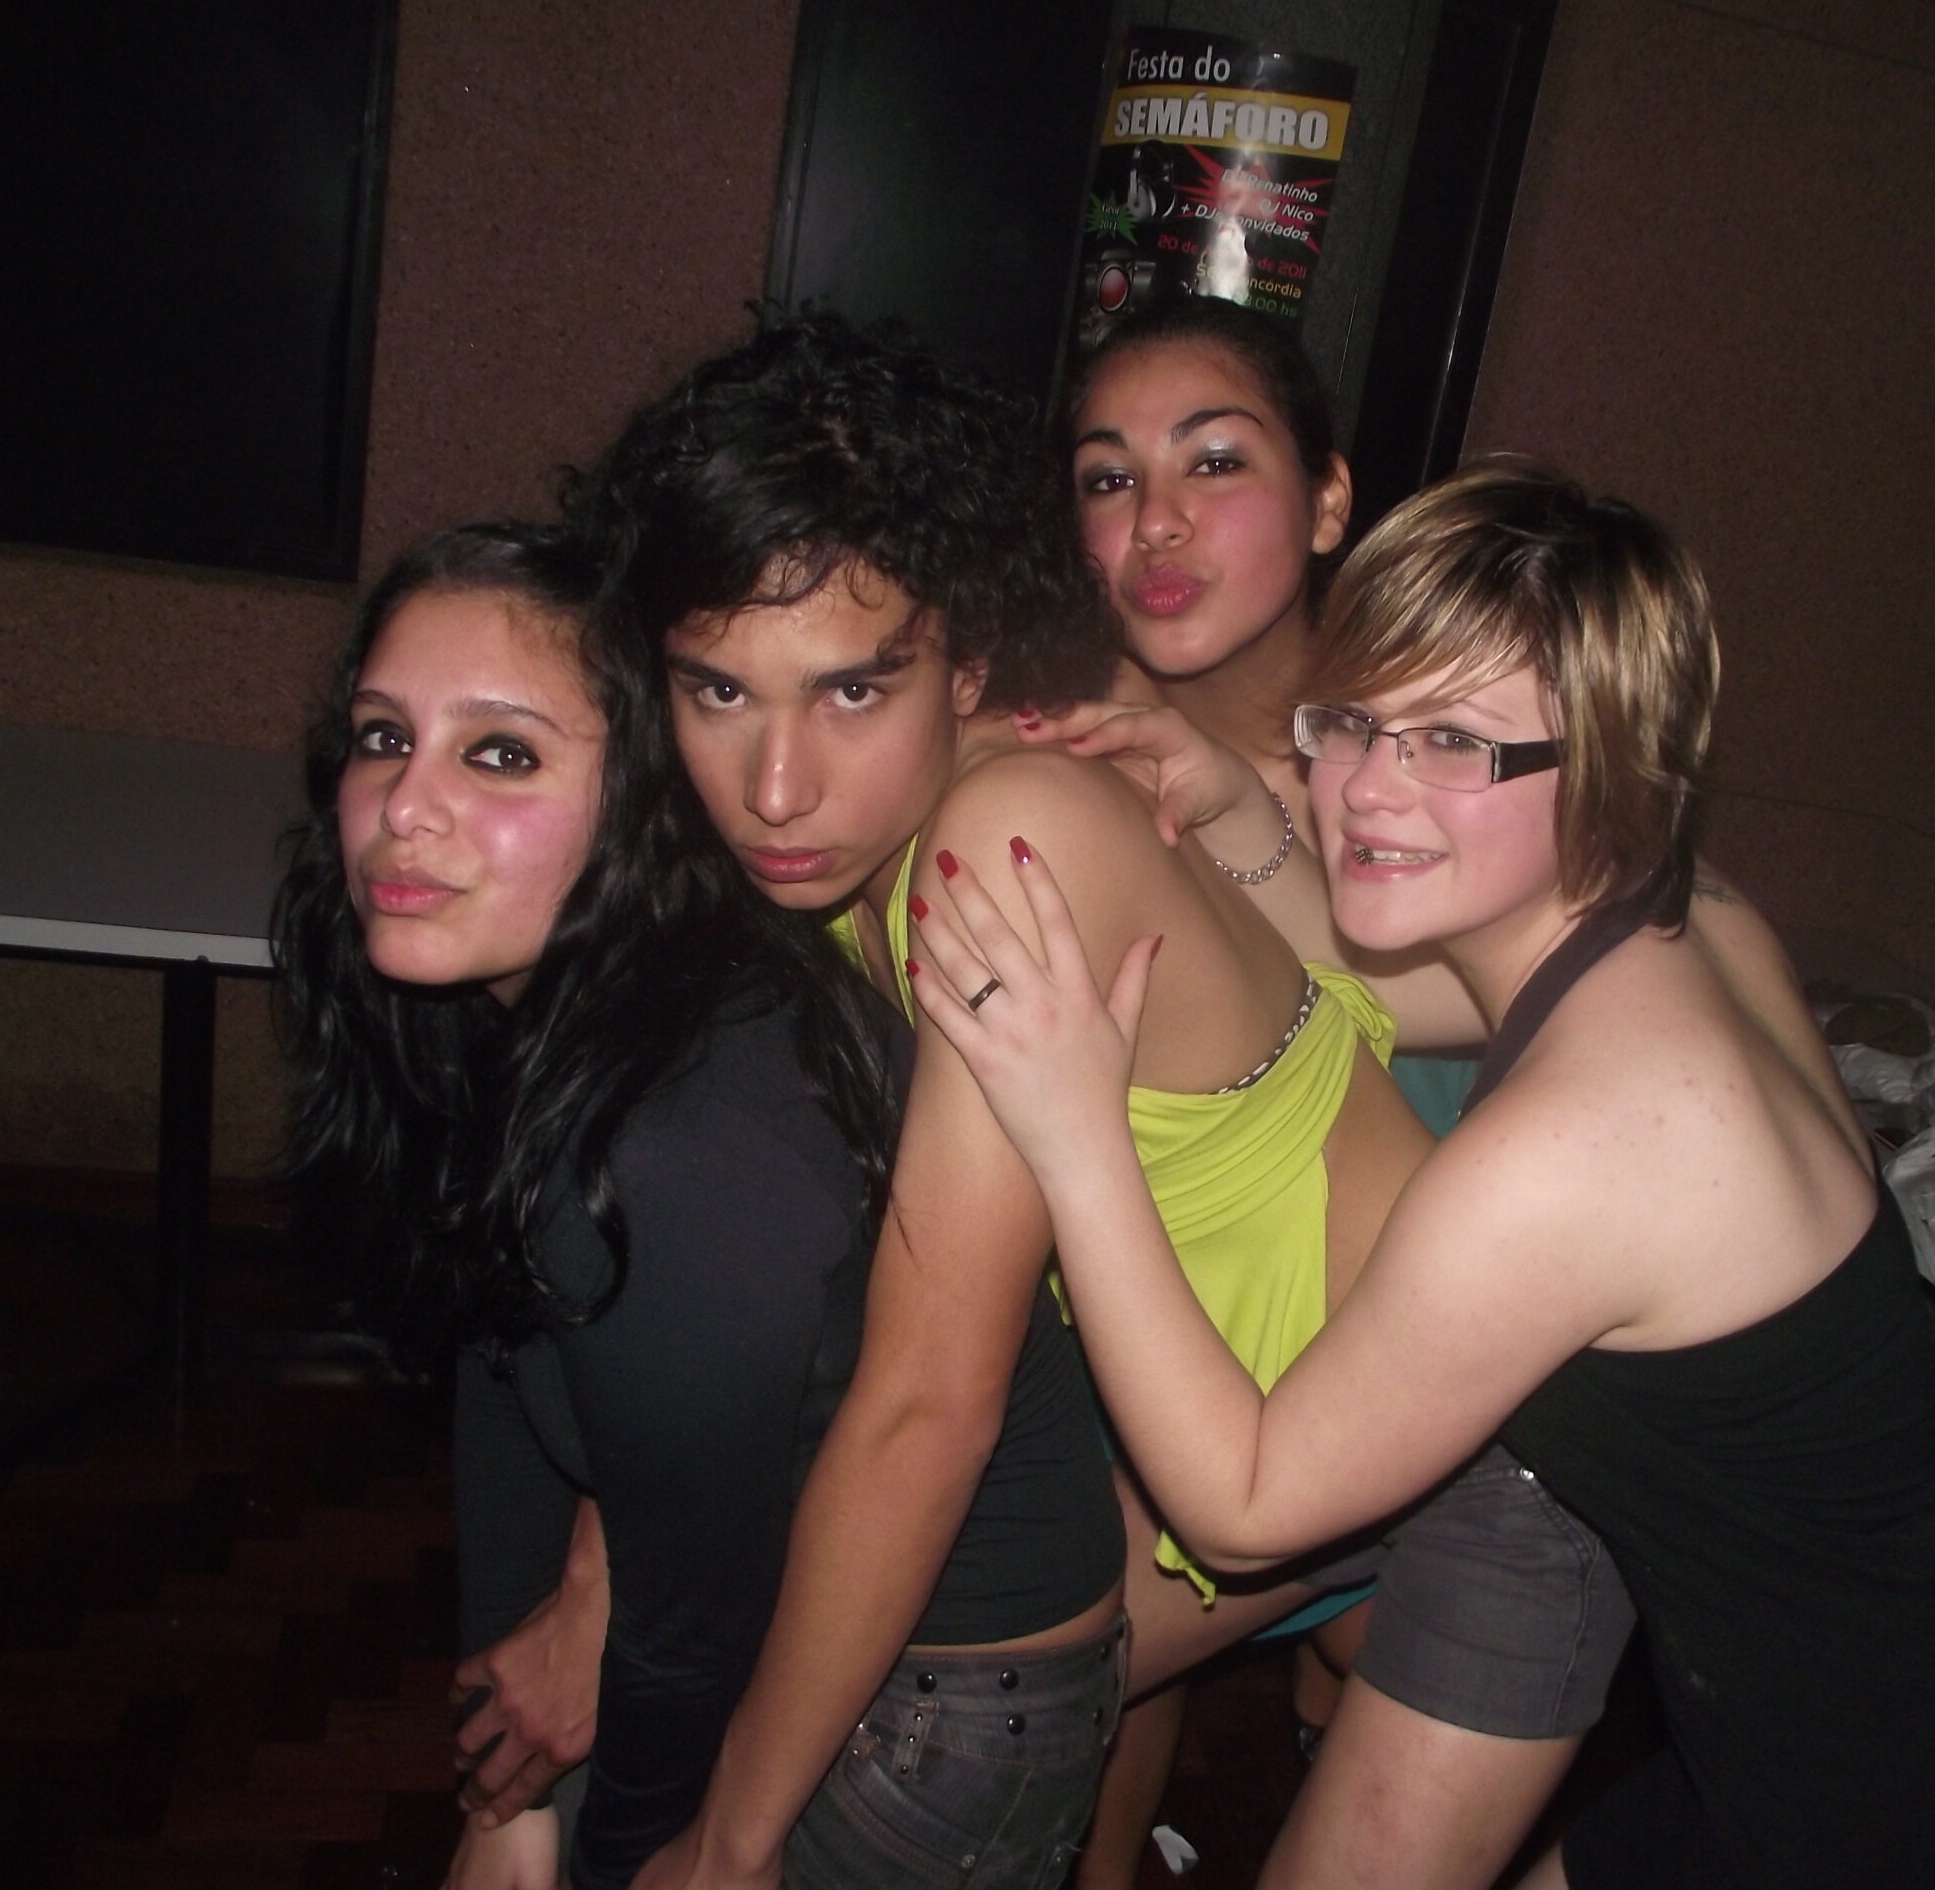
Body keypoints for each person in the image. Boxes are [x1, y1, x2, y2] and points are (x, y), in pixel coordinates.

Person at [905, 459, 1935, 1889]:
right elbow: (1362, 958)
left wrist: (1077, 1136)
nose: (1367, 789)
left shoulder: (1582, 1146)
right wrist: (1235, 801)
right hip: (1865, 1736)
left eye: (1454, 741)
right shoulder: (1697, 923)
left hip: (1892, 1834)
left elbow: (1244, 1508)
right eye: (1353, 721)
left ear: (1615, 763)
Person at [577, 314, 1445, 1889]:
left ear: (966, 661)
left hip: (1411, 1437)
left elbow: (930, 1402)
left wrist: (728, 1851)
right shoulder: (847, 833)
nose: (776, 787)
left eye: (852, 691)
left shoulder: (1001, 842)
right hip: (1197, 1408)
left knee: (898, 1702)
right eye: (718, 691)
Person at [271, 522, 1126, 1890]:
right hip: (739, 1601)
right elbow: (507, 1351)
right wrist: (506, 1791)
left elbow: (691, 1637)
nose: (405, 808)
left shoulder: (689, 1138)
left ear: (642, 801)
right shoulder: (500, 1004)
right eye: (385, 738)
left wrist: (633, 1860)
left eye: (501, 754)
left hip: (934, 1704)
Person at [1059, 299, 1632, 1887]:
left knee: (1388, 1692)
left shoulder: (1450, 762)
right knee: (1062, 1673)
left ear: (1327, 502)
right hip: (1169, 1348)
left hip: (1448, 1378)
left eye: (1213, 462)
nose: (1153, 521)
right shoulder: (1059, 761)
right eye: (1105, 477)